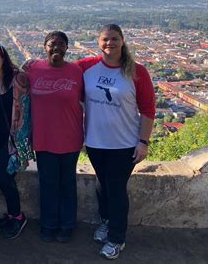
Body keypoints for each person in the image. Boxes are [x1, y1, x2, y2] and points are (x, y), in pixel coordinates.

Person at [76, 24, 155, 260]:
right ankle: (107, 220)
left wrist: (143, 142)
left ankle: (117, 238)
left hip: (124, 144)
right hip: (95, 142)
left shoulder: (137, 72)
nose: (109, 43)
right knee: (102, 183)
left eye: (113, 39)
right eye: (104, 39)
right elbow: (57, 71)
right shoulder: (86, 67)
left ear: (122, 41)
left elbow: (149, 109)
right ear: (98, 42)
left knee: (117, 188)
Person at [22, 31, 84, 243]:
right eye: (52, 44)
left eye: (61, 44)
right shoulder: (33, 69)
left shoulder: (76, 72)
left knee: (67, 183)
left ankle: (66, 225)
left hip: (70, 136)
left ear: (67, 48)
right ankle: (48, 224)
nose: (56, 48)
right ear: (44, 47)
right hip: (43, 138)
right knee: (47, 183)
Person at [0, 43, 34, 240]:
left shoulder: (19, 79)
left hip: (16, 139)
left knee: (4, 178)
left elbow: (27, 112)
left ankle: (18, 217)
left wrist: (24, 147)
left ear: (3, 59)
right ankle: (12, 215)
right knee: (4, 178)